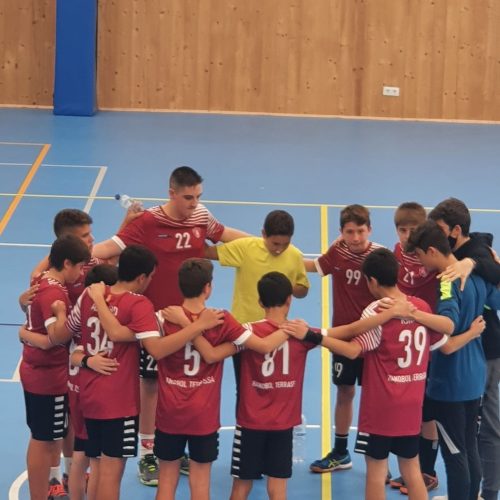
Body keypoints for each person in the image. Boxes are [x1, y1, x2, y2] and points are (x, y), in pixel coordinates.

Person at [92, 166, 247, 483]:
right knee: (150, 386)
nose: (193, 202)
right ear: (171, 193)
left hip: (190, 319)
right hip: (156, 322)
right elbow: (105, 250)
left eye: (198, 196)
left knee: (181, 385)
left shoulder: (200, 215)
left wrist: (263, 246)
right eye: (188, 197)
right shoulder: (148, 222)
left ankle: (177, 448)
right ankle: (148, 453)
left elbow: (225, 234)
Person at [149, 259, 293, 500]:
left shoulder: (163, 317)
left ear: (180, 286)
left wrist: (185, 323)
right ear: (208, 287)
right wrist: (295, 329)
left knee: (166, 481)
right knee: (200, 483)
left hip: (169, 412)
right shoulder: (221, 319)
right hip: (203, 415)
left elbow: (155, 349)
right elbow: (264, 345)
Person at [406, 220, 500, 500]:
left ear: (432, 250)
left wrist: (414, 314)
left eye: (420, 255)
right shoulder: (478, 276)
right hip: (474, 378)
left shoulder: (446, 282)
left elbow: (447, 325)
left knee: (455, 455)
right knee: (469, 448)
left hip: (450, 384)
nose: (420, 263)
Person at [305, 204, 384, 473]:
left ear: (369, 229)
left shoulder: (380, 257)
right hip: (342, 337)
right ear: (341, 232)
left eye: (361, 231)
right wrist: (276, 258)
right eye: (350, 232)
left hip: (375, 338)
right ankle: (341, 452)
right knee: (345, 391)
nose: (356, 237)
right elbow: (315, 267)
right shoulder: (337, 252)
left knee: (374, 396)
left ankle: (378, 456)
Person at [19, 235, 90, 500]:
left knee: (47, 435)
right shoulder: (54, 292)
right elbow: (55, 337)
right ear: (67, 263)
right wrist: (63, 315)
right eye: (79, 267)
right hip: (47, 376)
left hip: (40, 372)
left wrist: (25, 333)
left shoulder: (42, 278)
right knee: (43, 440)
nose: (81, 273)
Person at [390, 202, 441, 494]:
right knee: (410, 406)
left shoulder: (430, 258)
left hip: (429, 340)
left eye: (413, 230)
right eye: (402, 230)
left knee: (426, 411)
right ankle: (413, 468)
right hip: (404, 341)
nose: (407, 235)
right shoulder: (396, 254)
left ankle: (429, 471)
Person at [205, 210, 309, 324]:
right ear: (264, 234)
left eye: (286, 244)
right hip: (243, 326)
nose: (280, 249)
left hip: (275, 326)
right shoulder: (245, 248)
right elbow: (207, 252)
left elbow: (303, 290)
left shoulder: (295, 255)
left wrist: (287, 287)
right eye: (275, 244)